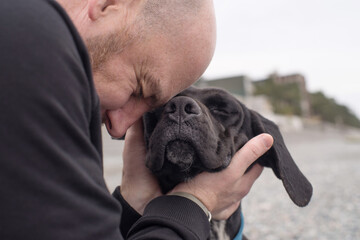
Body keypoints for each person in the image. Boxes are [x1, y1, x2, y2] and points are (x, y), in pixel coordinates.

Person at [0, 0, 273, 239]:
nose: (120, 128)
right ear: (108, 4)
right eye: (138, 89)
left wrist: (132, 206)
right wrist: (194, 204)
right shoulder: (26, 40)